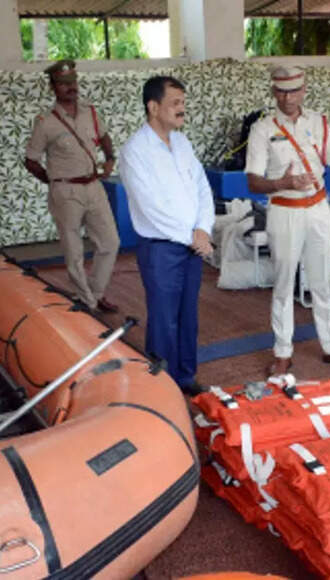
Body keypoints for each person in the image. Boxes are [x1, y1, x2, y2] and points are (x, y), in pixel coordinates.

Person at [246, 65, 330, 376]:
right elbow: (253, 182)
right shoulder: (262, 129)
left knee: (322, 280)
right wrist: (281, 184)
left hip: (318, 209)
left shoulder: (319, 122)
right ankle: (283, 352)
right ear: (274, 92)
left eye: (294, 90)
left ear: (304, 90)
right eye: (282, 91)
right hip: (284, 210)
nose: (288, 97)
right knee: (283, 283)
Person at [120, 76, 215, 395]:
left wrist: (203, 228)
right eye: (175, 103)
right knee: (163, 320)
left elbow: (202, 187)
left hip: (191, 245)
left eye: (183, 103)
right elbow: (150, 207)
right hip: (161, 248)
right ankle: (160, 390)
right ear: (153, 107)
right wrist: (192, 236)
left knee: (188, 317)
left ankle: (185, 378)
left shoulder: (183, 144)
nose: (182, 109)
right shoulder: (135, 151)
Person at [24, 59, 120, 313]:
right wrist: (54, 181)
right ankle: (87, 301)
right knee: (73, 249)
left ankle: (95, 293)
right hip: (66, 192)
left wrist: (110, 158)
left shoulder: (91, 112)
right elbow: (31, 160)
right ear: (53, 87)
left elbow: (104, 136)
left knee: (110, 242)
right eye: (63, 84)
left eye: (73, 82)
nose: (70, 87)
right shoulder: (46, 122)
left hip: (94, 186)